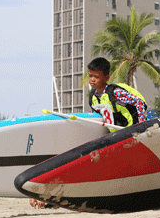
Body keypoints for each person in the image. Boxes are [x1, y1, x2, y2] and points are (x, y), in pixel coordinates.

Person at [30, 56, 147, 209]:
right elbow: (98, 119)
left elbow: (139, 102)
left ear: (106, 77)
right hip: (116, 136)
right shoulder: (93, 97)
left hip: (132, 132)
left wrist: (141, 124)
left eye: (96, 77)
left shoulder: (116, 92)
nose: (92, 80)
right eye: (90, 76)